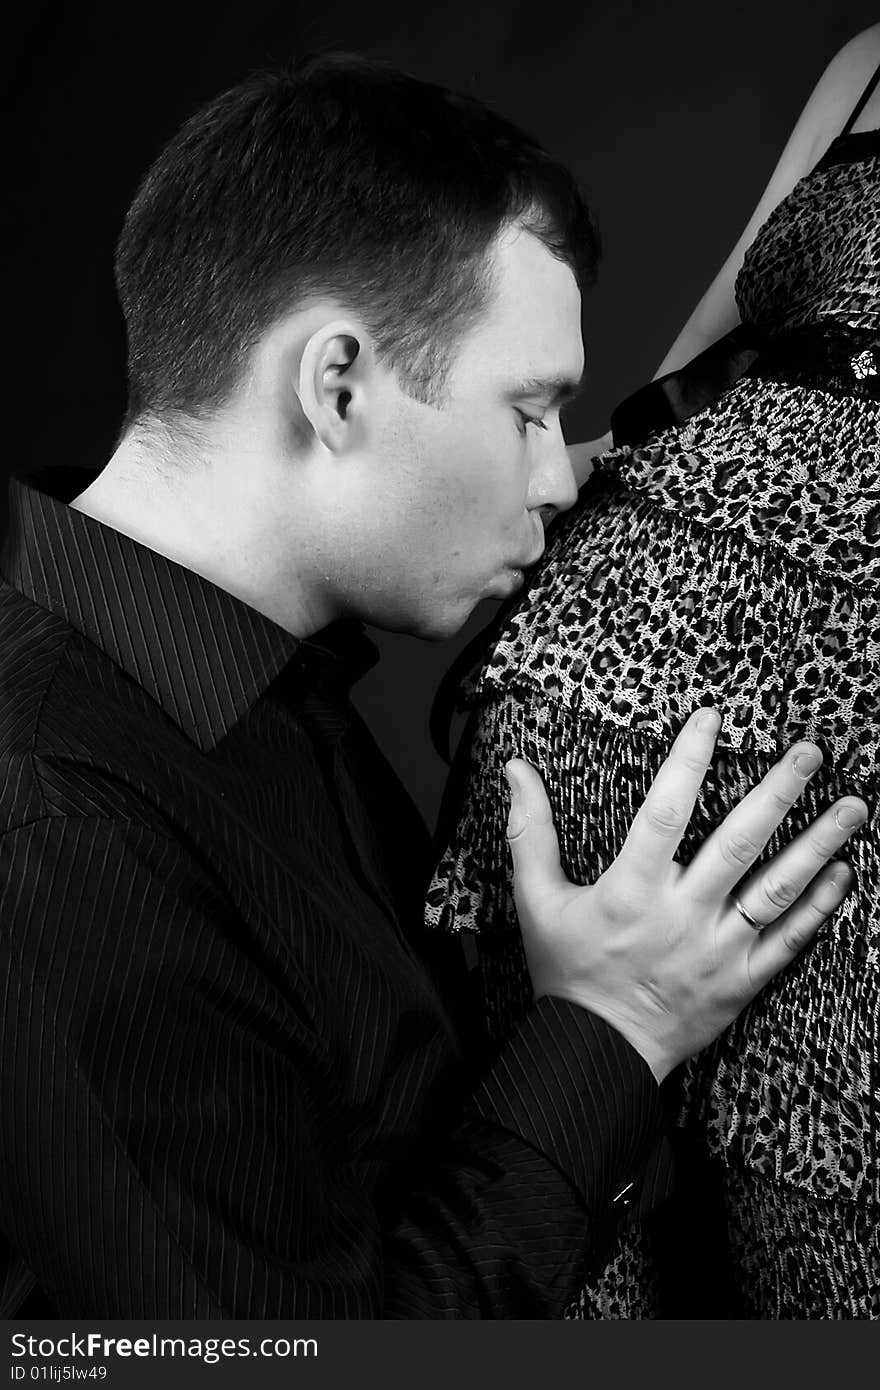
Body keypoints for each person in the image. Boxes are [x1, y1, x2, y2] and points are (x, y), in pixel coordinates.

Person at [0, 54, 865, 1320]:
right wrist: (609, 1035)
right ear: (334, 383)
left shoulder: (242, 688)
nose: (560, 479)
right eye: (527, 410)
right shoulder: (54, 819)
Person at [427, 25, 880, 1318]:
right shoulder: (863, 55)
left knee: (823, 1227)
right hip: (604, 662)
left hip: (853, 720)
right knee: (576, 1208)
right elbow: (688, 369)